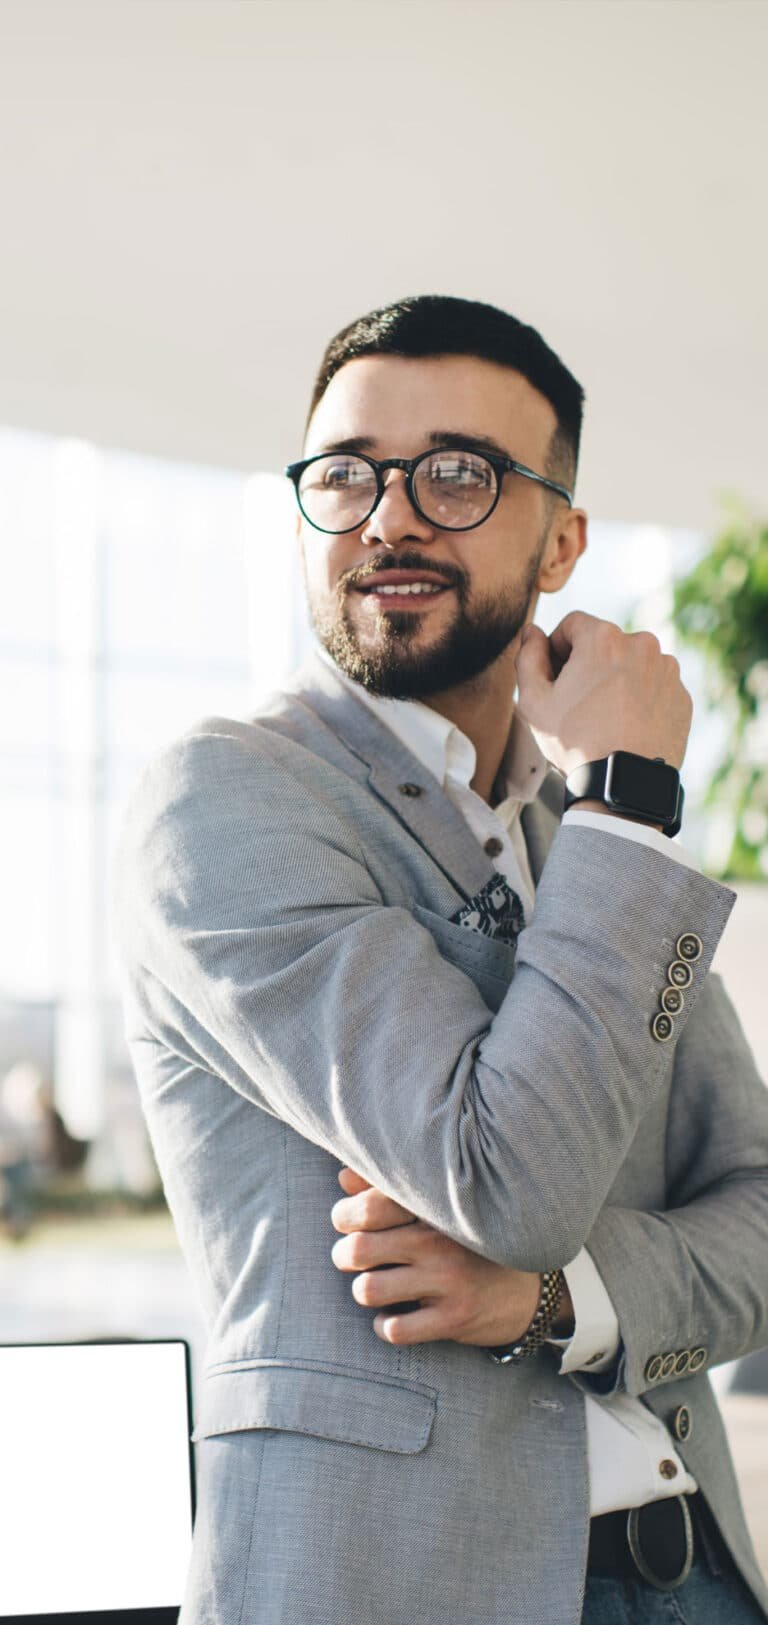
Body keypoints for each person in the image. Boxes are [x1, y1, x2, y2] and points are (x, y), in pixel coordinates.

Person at [113, 295, 768, 1625]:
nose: (389, 515)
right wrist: (632, 794)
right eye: (345, 473)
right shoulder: (225, 798)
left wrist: (563, 1301)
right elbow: (501, 1179)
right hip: (388, 1582)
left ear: (564, 537)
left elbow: (759, 1215)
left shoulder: (576, 832)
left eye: (457, 472)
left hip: (693, 1570)